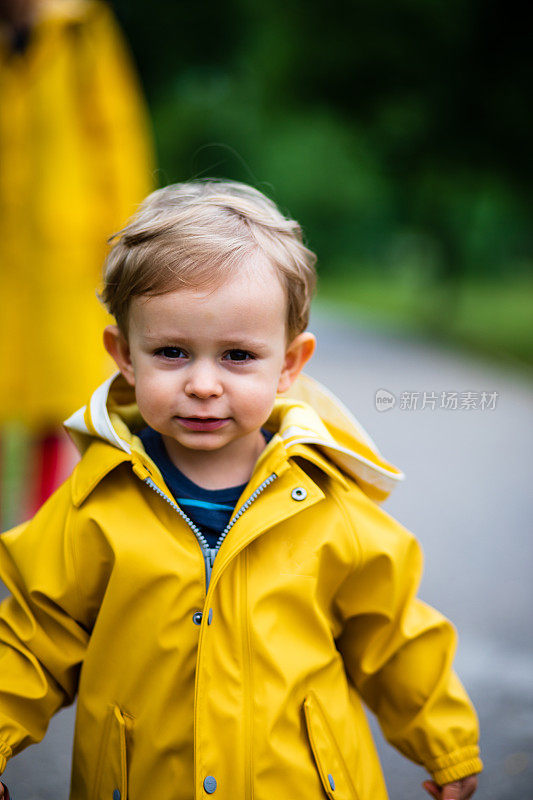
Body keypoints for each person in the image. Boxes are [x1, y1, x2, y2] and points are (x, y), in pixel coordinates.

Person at [0, 181, 482, 799]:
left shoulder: (328, 502)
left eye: (236, 356)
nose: (204, 384)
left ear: (288, 364)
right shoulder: (95, 504)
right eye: (172, 352)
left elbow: (392, 634)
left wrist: (445, 740)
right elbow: (32, 637)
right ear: (124, 355)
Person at [0, 0, 154, 528]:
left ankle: (41, 539)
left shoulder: (80, 28)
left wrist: (130, 246)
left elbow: (117, 135)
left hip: (64, 251)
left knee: (55, 404)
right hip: (7, 252)